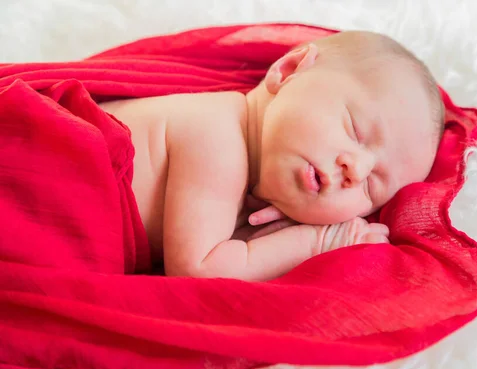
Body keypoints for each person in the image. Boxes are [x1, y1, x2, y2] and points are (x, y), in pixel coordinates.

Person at [98, 30, 444, 281]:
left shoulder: (249, 182)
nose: (355, 168)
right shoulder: (218, 135)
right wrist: (318, 241)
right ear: (290, 70)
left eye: (371, 186)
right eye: (355, 130)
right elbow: (197, 271)